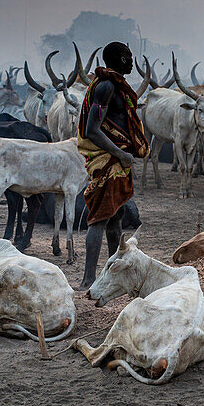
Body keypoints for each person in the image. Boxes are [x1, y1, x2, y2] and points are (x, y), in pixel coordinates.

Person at [77, 42, 150, 290]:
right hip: (108, 160)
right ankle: (88, 279)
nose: (131, 61)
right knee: (98, 218)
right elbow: (92, 130)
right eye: (128, 57)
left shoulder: (115, 86)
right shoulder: (107, 87)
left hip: (119, 161)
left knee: (116, 216)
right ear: (118, 59)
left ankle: (112, 271)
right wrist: (120, 152)